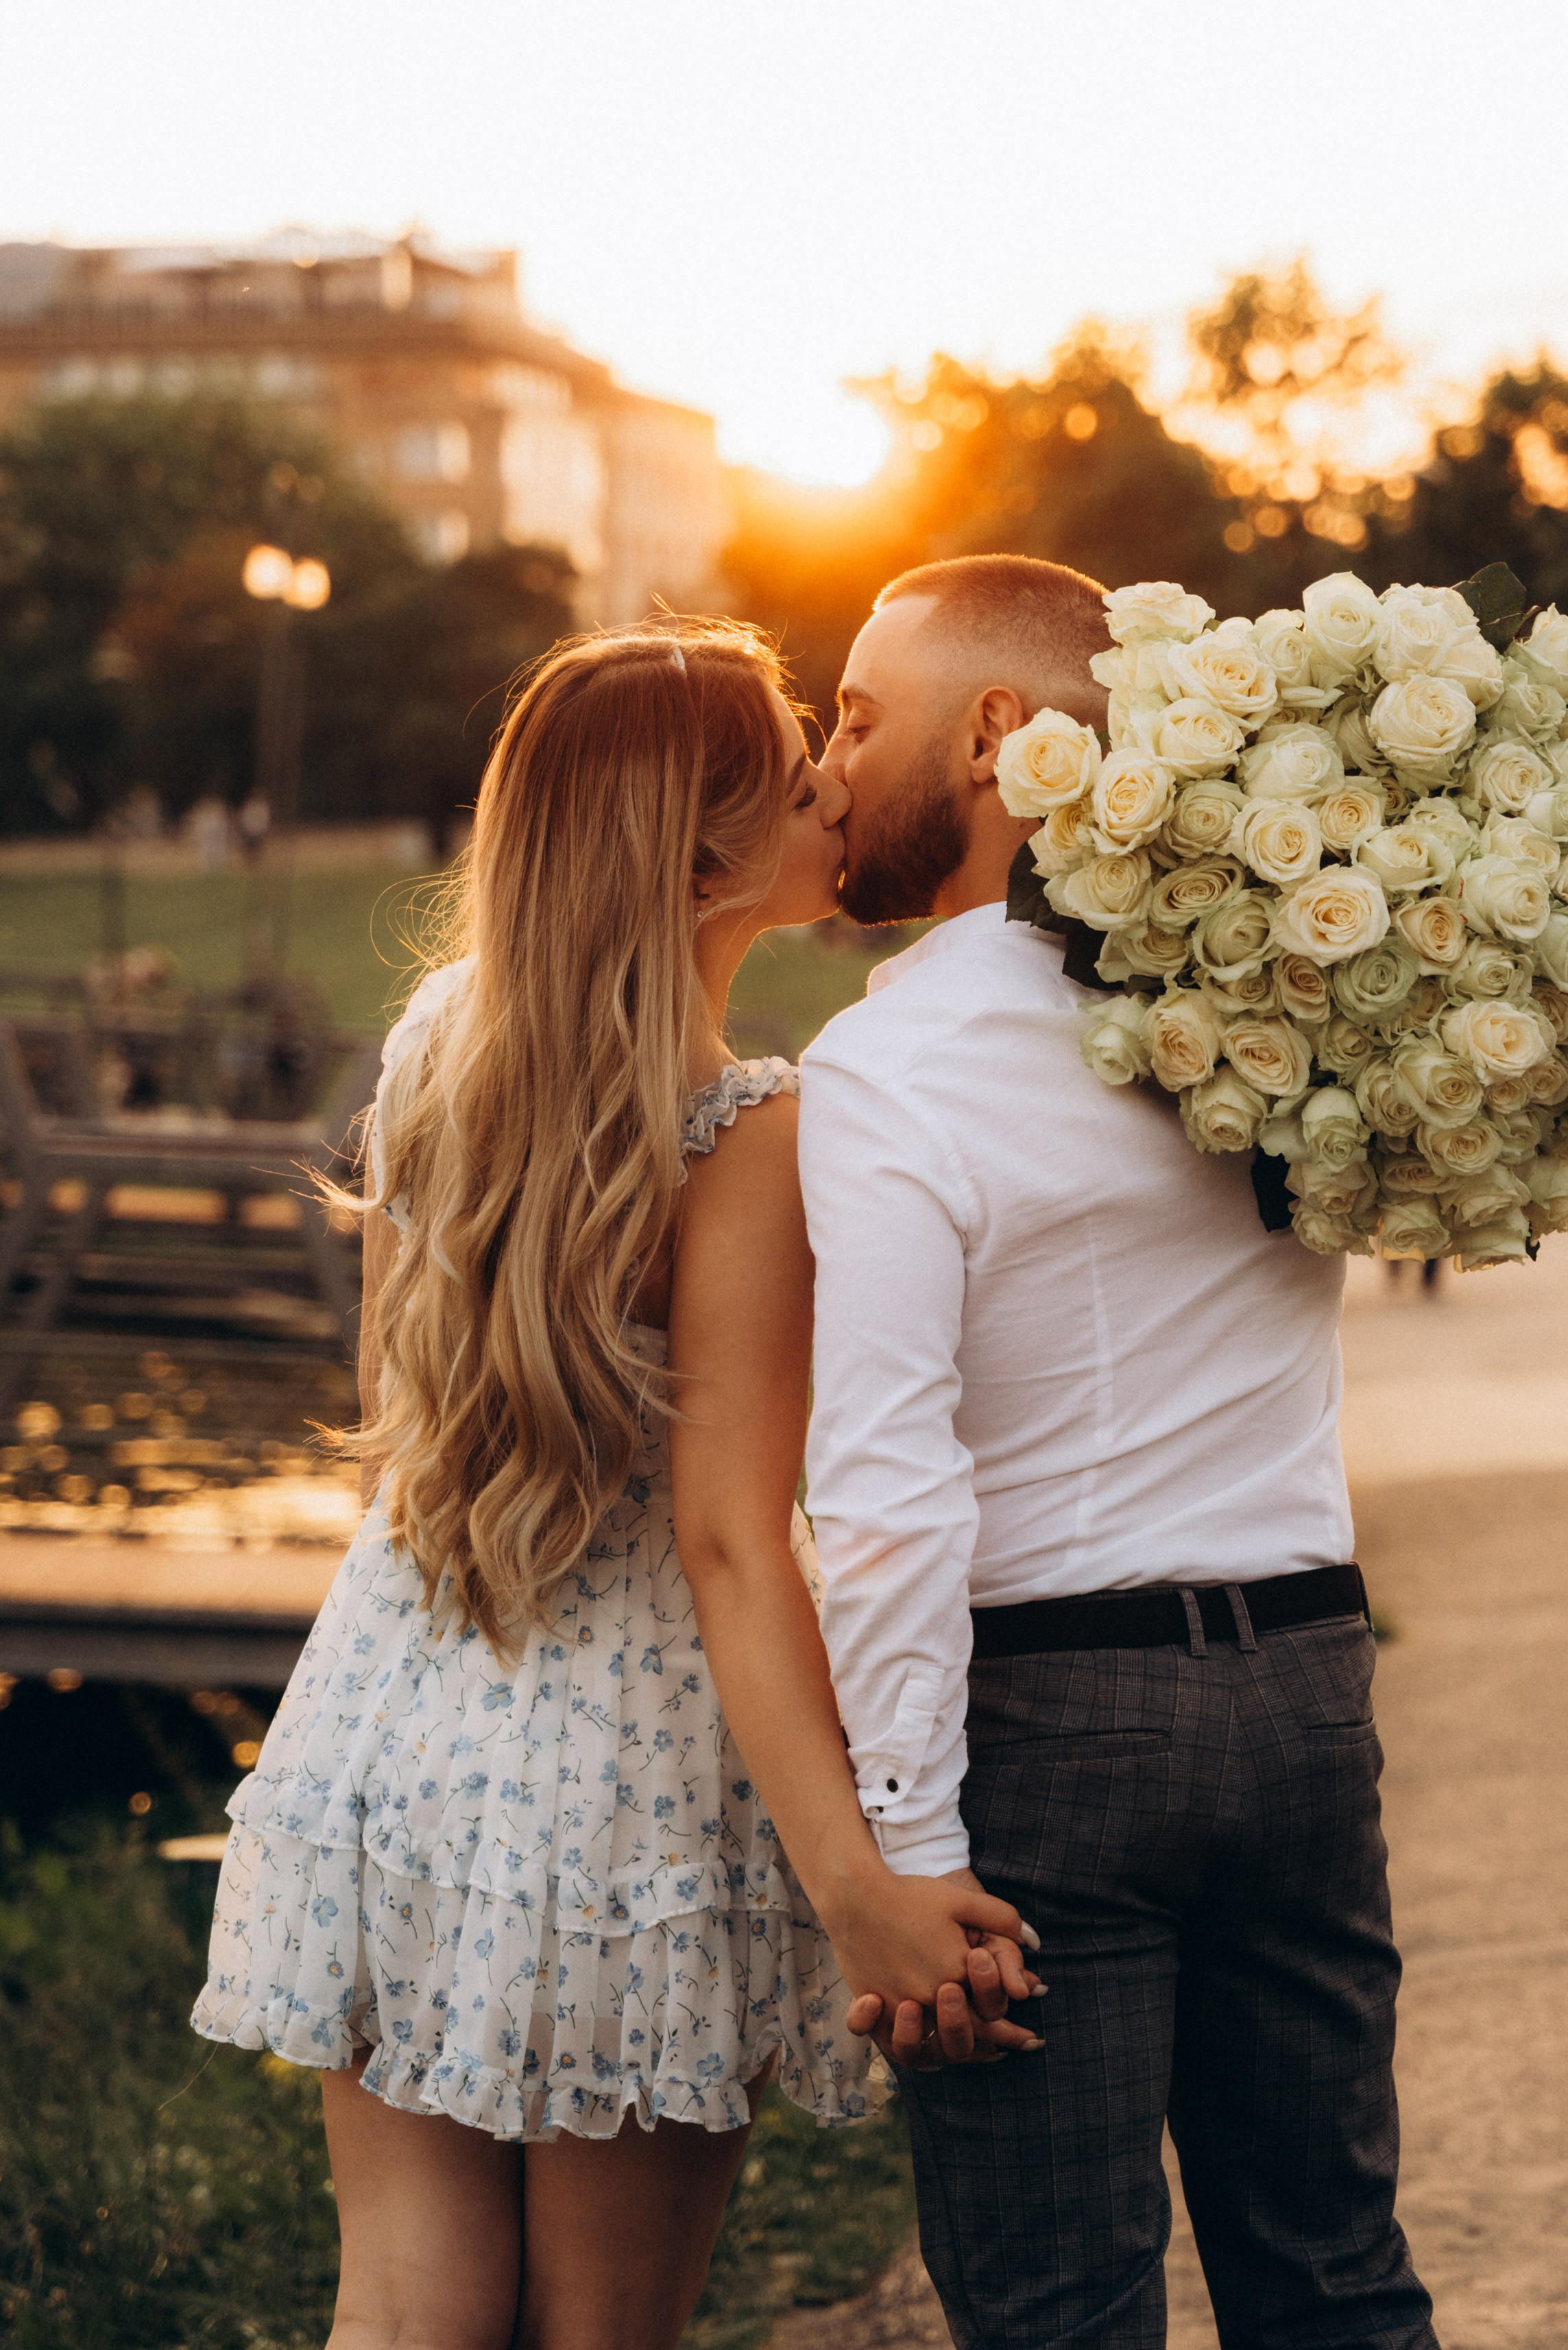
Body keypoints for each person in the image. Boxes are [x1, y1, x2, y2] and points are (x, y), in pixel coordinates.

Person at [192, 620, 1036, 2350]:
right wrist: (853, 1878)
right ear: (701, 859)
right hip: (632, 1785)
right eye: (791, 773)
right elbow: (727, 1541)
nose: (831, 789)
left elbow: (394, 1410)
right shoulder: (747, 1134)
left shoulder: (439, 1043)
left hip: (404, 1721)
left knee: (404, 2307)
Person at [802, 556, 1438, 2348]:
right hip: (1303, 1684)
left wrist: (907, 1839)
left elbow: (885, 1485)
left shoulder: (894, 1064)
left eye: (856, 715)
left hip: (1053, 1728)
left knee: (1059, 2311)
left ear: (994, 734)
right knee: (1334, 2277)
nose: (827, 763)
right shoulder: (1282, 1005)